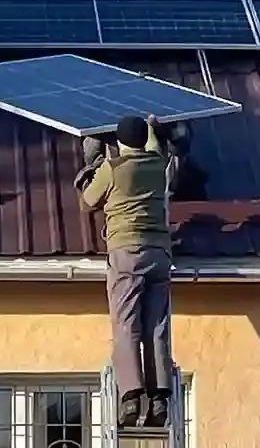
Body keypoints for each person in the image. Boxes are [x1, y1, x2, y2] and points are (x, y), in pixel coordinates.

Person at [76, 114, 178, 430]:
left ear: (118, 142)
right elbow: (156, 148)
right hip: (159, 253)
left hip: (127, 253)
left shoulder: (115, 169)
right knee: (157, 326)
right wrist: (155, 128)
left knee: (126, 323)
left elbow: (88, 201)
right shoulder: (159, 164)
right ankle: (160, 397)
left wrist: (87, 169)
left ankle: (131, 395)